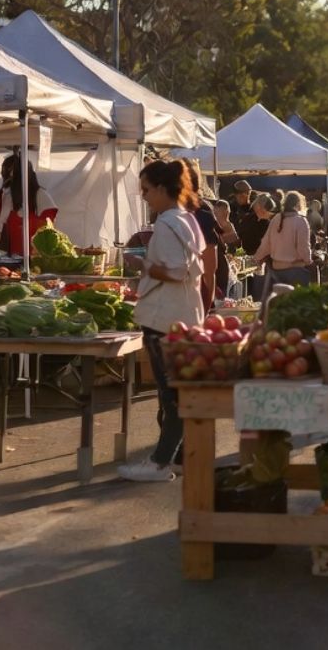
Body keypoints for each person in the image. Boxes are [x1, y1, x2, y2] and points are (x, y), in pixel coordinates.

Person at [119, 160, 206, 482]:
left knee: (171, 396)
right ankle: (179, 458)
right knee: (177, 393)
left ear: (162, 188)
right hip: (185, 314)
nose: (144, 197)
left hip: (163, 316)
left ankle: (159, 462)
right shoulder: (188, 220)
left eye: (146, 190)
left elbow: (174, 272)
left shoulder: (167, 224)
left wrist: (141, 264)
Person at [0, 153, 58, 256]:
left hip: (33, 254)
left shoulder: (39, 195)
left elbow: (49, 228)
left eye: (12, 173)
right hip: (4, 253)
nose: (9, 177)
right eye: (6, 173)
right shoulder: (1, 195)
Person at [253, 191, 314, 288]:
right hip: (295, 271)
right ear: (298, 205)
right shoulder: (301, 221)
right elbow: (303, 248)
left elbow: (266, 244)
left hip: (276, 272)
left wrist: (256, 258)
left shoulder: (276, 218)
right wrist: (309, 261)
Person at [230, 179, 266, 256]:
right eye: (239, 196)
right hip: (241, 248)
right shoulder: (233, 208)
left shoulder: (256, 207)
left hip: (256, 248)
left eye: (248, 194)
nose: (245, 197)